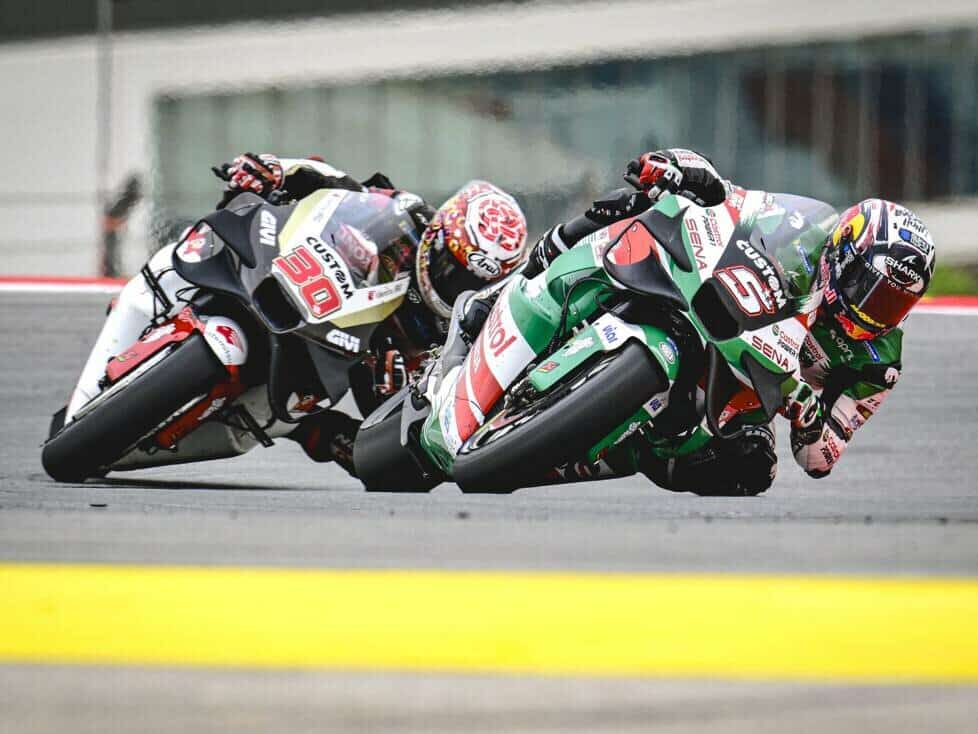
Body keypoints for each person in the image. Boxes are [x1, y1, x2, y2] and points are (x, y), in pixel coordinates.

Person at [460, 149, 935, 495]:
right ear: (844, 255)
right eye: (870, 289)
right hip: (723, 308)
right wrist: (682, 168)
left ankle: (594, 451)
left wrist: (810, 421)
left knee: (752, 468)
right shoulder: (805, 230)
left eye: (894, 304)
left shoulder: (878, 366)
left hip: (751, 387)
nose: (874, 310)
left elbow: (820, 459)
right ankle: (518, 284)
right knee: (635, 204)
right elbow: (735, 199)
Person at [66, 152, 528, 476]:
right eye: (451, 267)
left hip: (325, 368)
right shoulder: (402, 213)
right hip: (293, 282)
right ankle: (141, 315)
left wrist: (406, 386)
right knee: (185, 256)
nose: (452, 283)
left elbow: (431, 399)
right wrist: (272, 170)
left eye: (468, 281)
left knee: (336, 440)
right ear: (441, 233)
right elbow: (331, 180)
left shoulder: (455, 326)